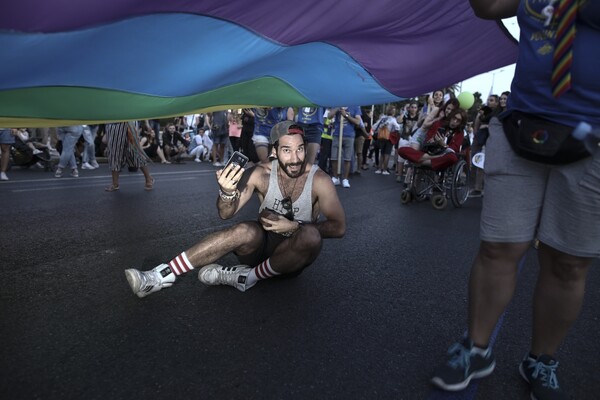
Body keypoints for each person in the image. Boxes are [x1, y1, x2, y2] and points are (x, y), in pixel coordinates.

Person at [431, 2, 600, 400]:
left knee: (569, 262)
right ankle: (476, 348)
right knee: (498, 248)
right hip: (522, 125)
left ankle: (541, 359)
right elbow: (487, 6)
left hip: (594, 139)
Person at [124, 121, 346, 296]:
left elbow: (338, 227)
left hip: (290, 261)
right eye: (287, 150)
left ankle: (247, 278)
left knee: (310, 236)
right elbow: (225, 213)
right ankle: (159, 277)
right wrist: (227, 192)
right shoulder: (261, 173)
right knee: (244, 230)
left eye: (300, 149)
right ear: (274, 152)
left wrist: (295, 226)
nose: (296, 158)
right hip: (259, 249)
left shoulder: (319, 179)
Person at [104, 122, 154, 192]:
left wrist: (146, 123)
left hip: (130, 121)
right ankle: (115, 184)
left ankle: (148, 179)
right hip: (113, 122)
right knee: (114, 152)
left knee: (135, 151)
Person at [327, 106, 362, 188]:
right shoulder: (337, 104)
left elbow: (358, 122)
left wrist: (346, 115)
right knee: (334, 157)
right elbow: (329, 116)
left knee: (347, 158)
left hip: (349, 135)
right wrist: (337, 108)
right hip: (337, 135)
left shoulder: (355, 106)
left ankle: (345, 179)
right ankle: (335, 177)